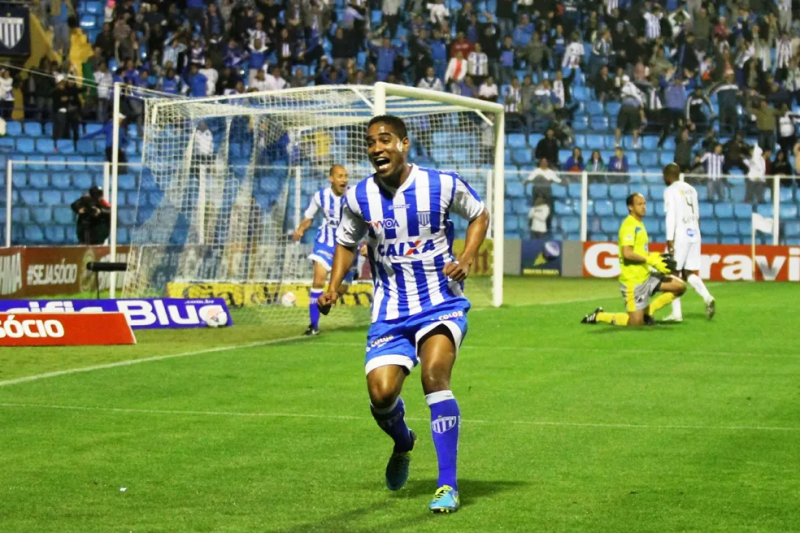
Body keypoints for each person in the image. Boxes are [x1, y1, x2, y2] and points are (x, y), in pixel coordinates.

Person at [317, 115, 489, 513]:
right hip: (390, 310)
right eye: (371, 142)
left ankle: (447, 484)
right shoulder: (359, 196)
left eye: (385, 140)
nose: (377, 148)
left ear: (404, 144)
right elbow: (346, 242)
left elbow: (479, 214)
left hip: (440, 301)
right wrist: (334, 285)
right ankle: (403, 441)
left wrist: (465, 257)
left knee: (434, 376)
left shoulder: (441, 183)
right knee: (381, 395)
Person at [581, 191, 686, 326]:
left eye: (644, 204)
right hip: (633, 282)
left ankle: (649, 312)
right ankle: (600, 316)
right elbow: (627, 253)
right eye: (639, 204)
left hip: (646, 276)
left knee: (680, 287)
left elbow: (640, 251)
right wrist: (650, 260)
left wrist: (655, 256)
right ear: (631, 207)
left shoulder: (639, 224)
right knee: (635, 323)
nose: (643, 207)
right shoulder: (629, 226)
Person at [293, 165, 356, 336]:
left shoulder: (353, 196)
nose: (344, 179)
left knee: (338, 291)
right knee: (319, 280)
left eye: (346, 176)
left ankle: (350, 275)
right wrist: (300, 230)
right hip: (325, 244)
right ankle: (313, 325)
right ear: (331, 178)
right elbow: (309, 218)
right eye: (340, 176)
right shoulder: (320, 196)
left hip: (347, 247)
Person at [661, 163, 716, 322]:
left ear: (668, 176)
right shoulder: (691, 189)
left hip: (680, 235)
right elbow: (697, 214)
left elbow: (671, 215)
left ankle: (677, 314)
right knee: (688, 273)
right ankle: (707, 297)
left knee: (672, 273)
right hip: (694, 233)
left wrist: (669, 238)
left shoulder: (670, 191)